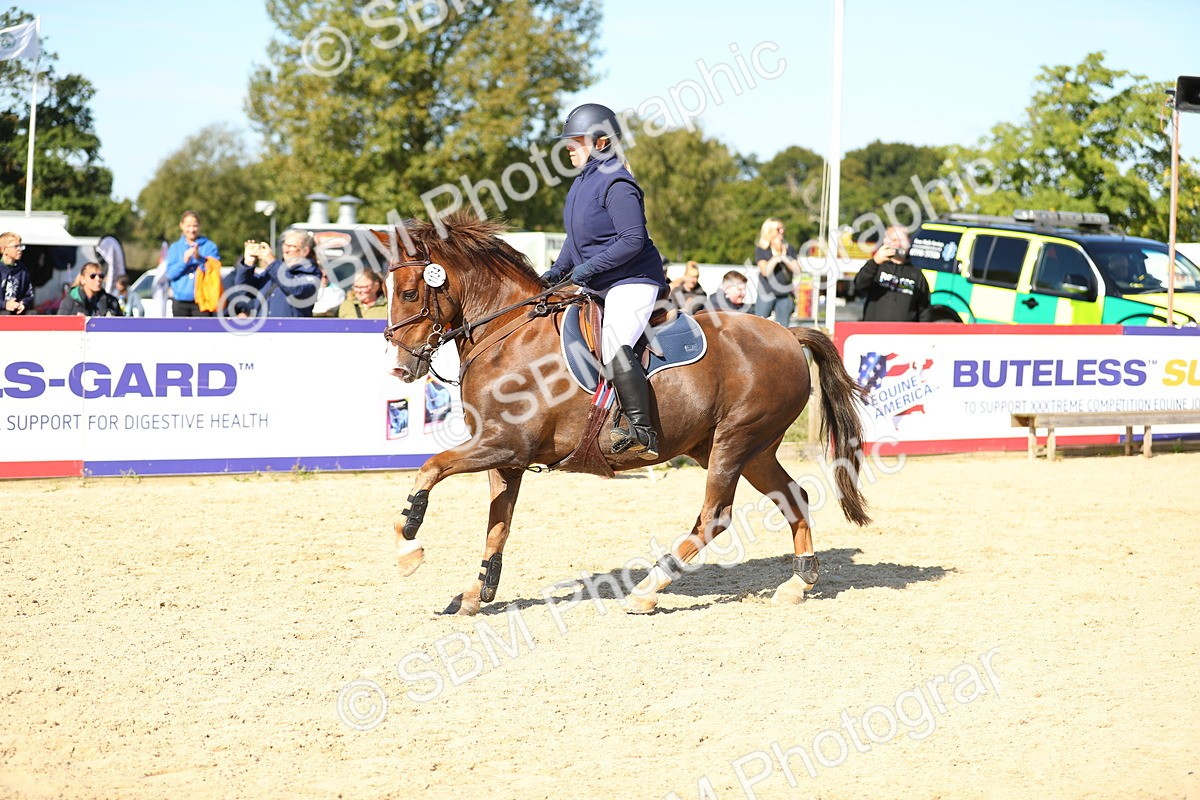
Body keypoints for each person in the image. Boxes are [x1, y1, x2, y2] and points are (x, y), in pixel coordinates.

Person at [540, 103, 668, 460]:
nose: (567, 147)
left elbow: (632, 240)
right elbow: (575, 239)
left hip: (632, 279)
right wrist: (556, 270)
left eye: (574, 141)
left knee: (614, 343)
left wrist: (588, 269)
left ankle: (642, 431)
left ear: (599, 142)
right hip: (600, 281)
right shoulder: (582, 182)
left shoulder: (617, 181)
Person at [232, 230, 323, 317]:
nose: (286, 250)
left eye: (291, 246)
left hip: (291, 331)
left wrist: (271, 261)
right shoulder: (274, 271)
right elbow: (244, 291)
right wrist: (248, 264)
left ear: (305, 251)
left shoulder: (312, 272)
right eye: (285, 245)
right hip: (264, 330)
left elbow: (296, 289)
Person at [853, 225, 931, 322]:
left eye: (902, 240)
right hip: (874, 333)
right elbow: (859, 285)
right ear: (885, 242)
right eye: (894, 240)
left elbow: (924, 310)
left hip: (905, 335)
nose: (898, 244)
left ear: (909, 242)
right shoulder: (877, 267)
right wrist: (874, 262)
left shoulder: (917, 274)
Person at [164, 211, 221, 317]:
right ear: (181, 226)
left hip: (203, 301)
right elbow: (170, 274)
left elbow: (214, 271)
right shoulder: (175, 248)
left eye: (195, 226)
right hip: (179, 302)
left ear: (199, 226)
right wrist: (184, 261)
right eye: (188, 226)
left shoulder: (209, 246)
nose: (191, 229)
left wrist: (200, 258)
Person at [753, 217, 801, 325]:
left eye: (782, 228)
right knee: (759, 325)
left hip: (784, 294)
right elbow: (765, 271)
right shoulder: (762, 249)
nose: (782, 231)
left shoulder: (789, 249)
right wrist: (776, 257)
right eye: (778, 229)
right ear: (769, 231)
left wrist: (784, 256)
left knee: (783, 329)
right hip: (766, 292)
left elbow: (797, 270)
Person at [58, 262, 124, 316]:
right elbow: (59, 326)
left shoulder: (111, 302)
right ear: (82, 279)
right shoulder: (70, 301)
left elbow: (122, 326)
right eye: (93, 276)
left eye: (101, 276)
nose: (98, 279)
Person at [0, 231, 34, 315]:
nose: (19, 249)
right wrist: (4, 304)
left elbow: (29, 295)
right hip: (2, 313)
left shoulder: (23, 270)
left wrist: (23, 303)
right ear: (3, 249)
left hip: (16, 314)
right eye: (16, 246)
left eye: (21, 246)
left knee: (33, 314)